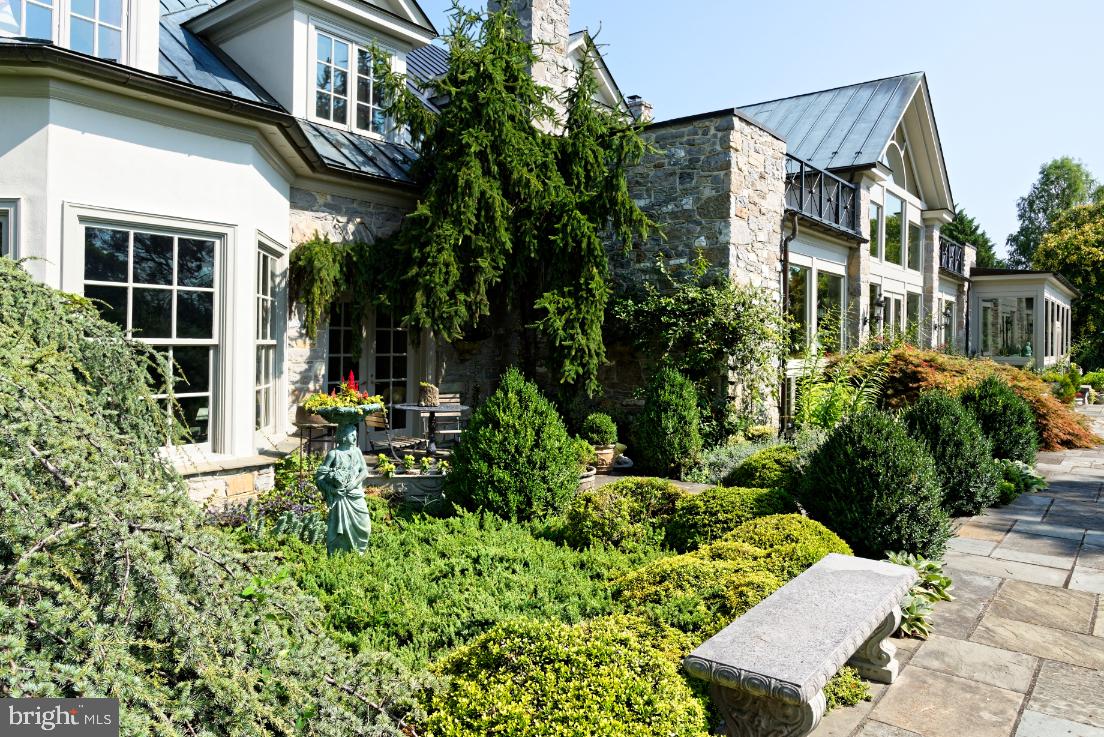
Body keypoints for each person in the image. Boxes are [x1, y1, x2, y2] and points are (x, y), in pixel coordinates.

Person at [314, 422, 371, 554]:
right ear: (343, 436)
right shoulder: (333, 454)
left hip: (355, 494)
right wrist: (333, 490)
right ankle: (339, 556)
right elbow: (319, 479)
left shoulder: (357, 451)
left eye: (355, 435)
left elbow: (364, 472)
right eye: (352, 435)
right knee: (341, 529)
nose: (355, 438)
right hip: (340, 498)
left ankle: (358, 554)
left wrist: (353, 484)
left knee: (365, 527)